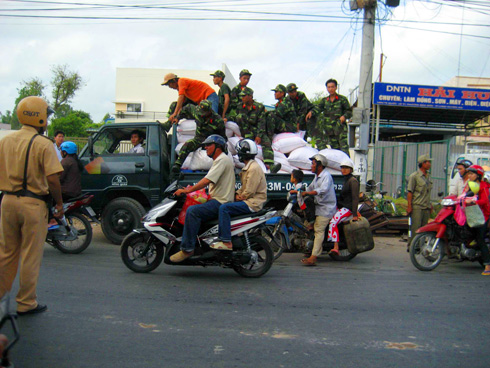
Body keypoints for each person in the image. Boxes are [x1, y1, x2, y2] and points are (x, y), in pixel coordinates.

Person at [0, 96, 64, 316]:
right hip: (33, 204)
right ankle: (26, 303)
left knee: (6, 253)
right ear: (38, 117)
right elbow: (54, 180)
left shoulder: (5, 141)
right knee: (30, 254)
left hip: (7, 201)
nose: (47, 120)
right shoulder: (43, 144)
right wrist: (59, 204)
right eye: (46, 115)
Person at [170, 135, 235, 262]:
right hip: (217, 199)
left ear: (218, 147)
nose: (205, 148)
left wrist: (187, 190)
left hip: (220, 202)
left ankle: (187, 249)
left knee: (192, 212)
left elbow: (206, 180)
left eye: (208, 145)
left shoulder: (222, 160)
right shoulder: (219, 160)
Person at [213, 139, 267, 250]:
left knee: (224, 209)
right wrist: (235, 195)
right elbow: (243, 189)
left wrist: (238, 197)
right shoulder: (249, 168)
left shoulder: (253, 169)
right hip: (249, 201)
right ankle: (235, 235)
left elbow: (248, 191)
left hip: (252, 203)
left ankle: (226, 241)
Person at [290, 154, 337, 266]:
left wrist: (307, 193)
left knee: (318, 230)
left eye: (313, 164)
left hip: (326, 209)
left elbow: (322, 190)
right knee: (306, 225)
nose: (311, 166)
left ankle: (313, 257)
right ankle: (309, 248)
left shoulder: (326, 176)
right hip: (318, 207)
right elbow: (309, 188)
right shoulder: (316, 177)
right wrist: (298, 191)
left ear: (319, 165)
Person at [228, 87, 280, 173]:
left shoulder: (259, 107)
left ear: (250, 96)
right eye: (242, 96)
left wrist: (259, 136)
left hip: (256, 130)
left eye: (244, 96)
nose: (242, 98)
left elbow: (261, 122)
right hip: (245, 131)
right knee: (240, 117)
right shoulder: (240, 106)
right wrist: (227, 119)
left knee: (266, 142)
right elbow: (235, 117)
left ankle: (270, 165)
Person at [170, 100, 226, 175]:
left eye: (204, 113)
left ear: (209, 111)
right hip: (199, 139)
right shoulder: (196, 111)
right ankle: (178, 164)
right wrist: (177, 117)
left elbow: (222, 137)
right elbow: (185, 109)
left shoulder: (218, 120)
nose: (202, 115)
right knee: (187, 144)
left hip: (211, 142)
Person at [309, 79, 352, 154]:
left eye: (332, 87)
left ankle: (347, 165)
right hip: (330, 130)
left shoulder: (342, 99)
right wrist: (311, 112)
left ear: (336, 87)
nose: (330, 89)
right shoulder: (325, 101)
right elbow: (318, 108)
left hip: (340, 129)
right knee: (335, 151)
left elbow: (349, 111)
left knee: (344, 149)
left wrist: (344, 116)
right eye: (328, 87)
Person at [462, 165, 490, 276]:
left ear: (478, 175)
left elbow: (484, 201)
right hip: (470, 215)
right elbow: (463, 195)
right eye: (469, 174)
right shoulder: (469, 185)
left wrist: (474, 202)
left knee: (480, 239)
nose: (469, 176)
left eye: (472, 174)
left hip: (482, 217)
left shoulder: (483, 186)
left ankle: (488, 265)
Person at [327, 160, 359, 256]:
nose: (343, 170)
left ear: (350, 169)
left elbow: (355, 198)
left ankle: (335, 247)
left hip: (348, 208)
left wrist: (354, 214)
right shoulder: (346, 180)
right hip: (342, 207)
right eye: (342, 168)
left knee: (333, 222)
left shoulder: (353, 181)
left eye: (346, 168)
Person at [407, 154, 433, 251]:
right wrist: (409, 206)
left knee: (424, 228)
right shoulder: (414, 176)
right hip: (417, 206)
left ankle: (420, 246)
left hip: (426, 206)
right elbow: (410, 192)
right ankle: (413, 246)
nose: (429, 164)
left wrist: (430, 205)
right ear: (422, 163)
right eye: (428, 162)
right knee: (415, 228)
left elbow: (428, 192)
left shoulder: (428, 176)